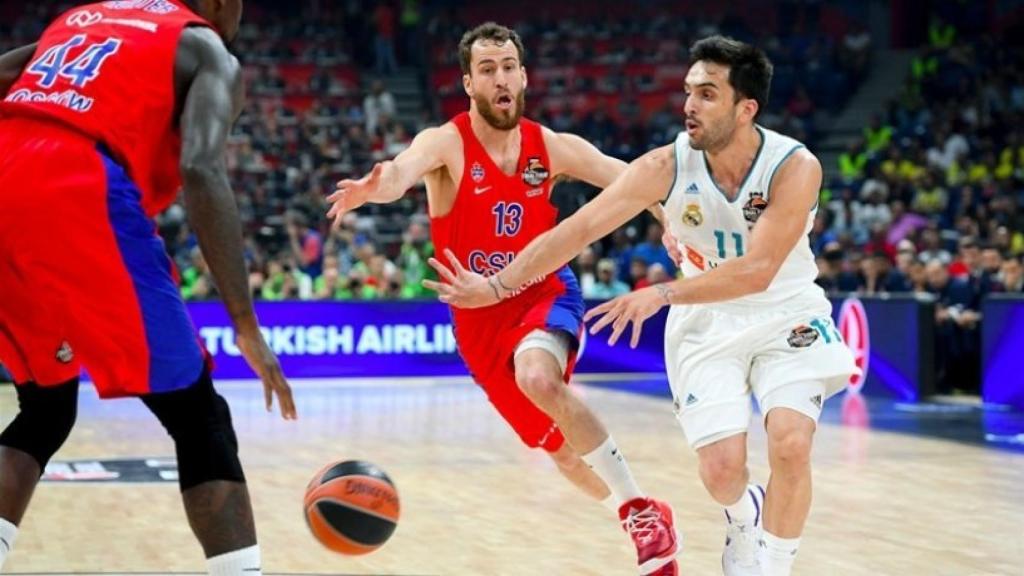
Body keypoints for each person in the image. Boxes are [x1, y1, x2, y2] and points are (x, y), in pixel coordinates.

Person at [425, 36, 858, 576]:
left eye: (706, 94)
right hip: (708, 320)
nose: (688, 106)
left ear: (746, 109)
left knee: (791, 443)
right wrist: (496, 287)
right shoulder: (665, 165)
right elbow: (576, 230)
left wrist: (661, 292)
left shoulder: (794, 166)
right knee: (722, 473)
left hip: (785, 311)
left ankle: (772, 564)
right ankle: (743, 513)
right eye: (688, 91)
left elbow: (759, 270)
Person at [326, 22, 680, 575]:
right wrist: (377, 187)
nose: (501, 78)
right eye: (487, 69)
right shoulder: (447, 142)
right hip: (477, 321)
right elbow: (401, 171)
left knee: (539, 378)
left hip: (544, 291)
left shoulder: (551, 147)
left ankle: (639, 514)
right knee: (560, 452)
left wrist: (670, 215)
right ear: (468, 83)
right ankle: (639, 513)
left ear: (524, 76)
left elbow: (629, 179)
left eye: (509, 66)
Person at [0, 1, 296, 574]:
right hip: (76, 184)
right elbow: (202, 170)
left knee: (44, 411)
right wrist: (246, 326)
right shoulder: (208, 48)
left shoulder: (84, 16)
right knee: (199, 417)